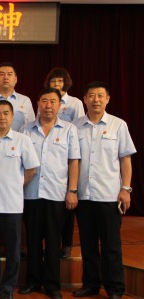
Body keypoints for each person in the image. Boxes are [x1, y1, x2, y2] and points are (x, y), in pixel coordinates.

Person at [73, 81, 136, 299]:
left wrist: (125, 189)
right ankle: (91, 284)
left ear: (108, 99)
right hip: (84, 195)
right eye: (91, 95)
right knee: (88, 244)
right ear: (85, 99)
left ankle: (115, 289)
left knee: (111, 246)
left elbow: (125, 159)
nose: (96, 100)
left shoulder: (118, 125)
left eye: (100, 96)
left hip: (109, 195)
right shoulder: (75, 126)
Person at [19, 88, 80, 299]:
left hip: (57, 193)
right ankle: (33, 281)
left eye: (53, 101)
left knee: (54, 241)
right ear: (38, 103)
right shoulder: (26, 130)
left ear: (59, 105)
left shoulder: (69, 130)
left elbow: (73, 162)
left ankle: (52, 284)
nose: (48, 105)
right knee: (33, 240)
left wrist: (72, 190)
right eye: (44, 101)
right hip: (31, 193)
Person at [0, 100, 39, 299]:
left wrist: (16, 184)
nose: (1, 117)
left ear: (12, 117)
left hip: (11, 204)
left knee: (13, 250)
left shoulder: (22, 140)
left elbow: (31, 169)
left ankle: (8, 289)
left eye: (6, 113)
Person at [43, 68, 85, 258]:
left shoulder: (75, 103)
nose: (57, 84)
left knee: (67, 207)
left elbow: (79, 127)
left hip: (67, 152)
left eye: (60, 81)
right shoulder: (45, 100)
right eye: (53, 81)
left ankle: (66, 243)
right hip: (49, 156)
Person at [0, 62, 35, 133]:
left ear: (15, 79)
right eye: (2, 74)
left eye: (9, 74)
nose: (6, 77)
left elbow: (31, 127)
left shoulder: (25, 101)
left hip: (19, 140)